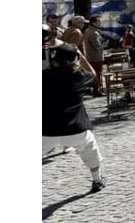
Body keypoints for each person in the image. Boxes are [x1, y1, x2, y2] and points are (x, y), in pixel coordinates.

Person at [42, 43, 106, 193]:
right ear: (75, 59)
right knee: (90, 149)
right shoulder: (80, 77)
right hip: (76, 129)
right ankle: (97, 180)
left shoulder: (43, 77)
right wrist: (81, 55)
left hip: (47, 130)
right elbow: (93, 73)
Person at [83, 15, 106, 98]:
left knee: (94, 73)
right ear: (93, 23)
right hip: (96, 57)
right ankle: (97, 90)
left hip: (90, 56)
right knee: (97, 74)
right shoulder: (94, 33)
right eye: (98, 21)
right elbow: (97, 46)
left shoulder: (87, 30)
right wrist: (104, 45)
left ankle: (95, 89)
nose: (100, 22)